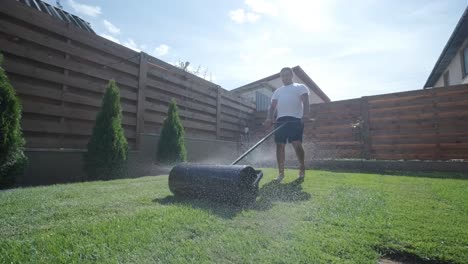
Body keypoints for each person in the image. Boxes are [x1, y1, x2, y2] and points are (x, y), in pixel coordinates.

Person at [263, 67, 309, 182]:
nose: (285, 77)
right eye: (283, 75)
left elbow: (305, 102)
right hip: (280, 120)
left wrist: (306, 115)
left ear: (292, 75)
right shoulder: (278, 91)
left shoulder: (300, 87)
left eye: (287, 75)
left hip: (295, 120)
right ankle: (281, 173)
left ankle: (302, 167)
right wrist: (269, 118)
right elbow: (272, 106)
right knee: (280, 146)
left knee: (296, 144)